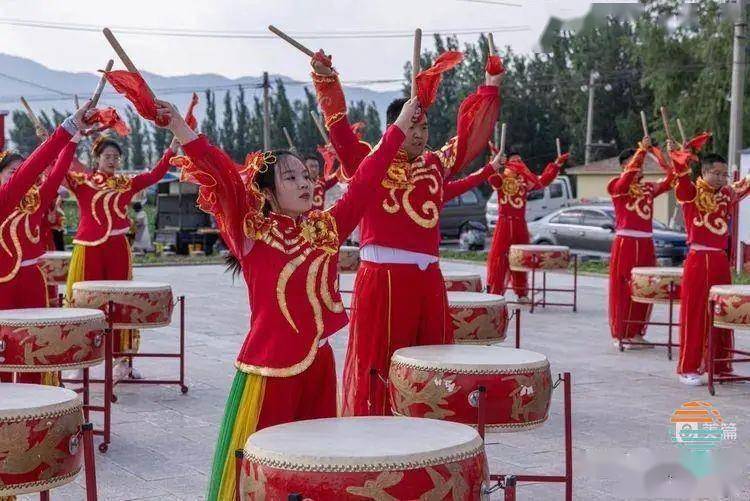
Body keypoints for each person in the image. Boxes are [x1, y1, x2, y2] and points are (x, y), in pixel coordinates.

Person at [152, 94, 419, 500]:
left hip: (319, 363)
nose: (305, 183)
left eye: (306, 176)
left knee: (316, 463)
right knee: (266, 473)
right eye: (291, 178)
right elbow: (221, 173)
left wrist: (398, 127)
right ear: (269, 192)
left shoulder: (327, 227)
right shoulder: (251, 233)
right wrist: (180, 128)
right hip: (269, 372)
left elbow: (367, 178)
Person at [311, 49, 503, 416]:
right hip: (382, 280)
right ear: (394, 126)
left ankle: (427, 439)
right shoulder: (369, 162)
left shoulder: (434, 163)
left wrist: (490, 87)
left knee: (431, 362)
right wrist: (326, 79)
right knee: (381, 364)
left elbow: (469, 140)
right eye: (412, 125)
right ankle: (378, 436)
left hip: (429, 279)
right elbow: (338, 129)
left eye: (425, 126)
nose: (421, 133)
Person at [65, 134, 178, 378]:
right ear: (96, 158)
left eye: (116, 157)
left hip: (118, 248)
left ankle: (124, 360)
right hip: (88, 247)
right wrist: (64, 142)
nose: (112, 160)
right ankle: (79, 360)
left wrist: (171, 150)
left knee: (121, 303)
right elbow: (58, 170)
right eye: (107, 156)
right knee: (83, 303)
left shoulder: (126, 183)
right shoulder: (82, 182)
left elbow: (154, 175)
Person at [0, 103, 93, 383]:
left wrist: (72, 138)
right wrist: (67, 128)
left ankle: (37, 409)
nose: (17, 176)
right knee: (3, 348)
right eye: (10, 172)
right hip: (2, 283)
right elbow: (34, 168)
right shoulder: (3, 200)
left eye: (20, 171)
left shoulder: (37, 200)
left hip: (32, 281)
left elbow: (53, 170)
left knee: (34, 346)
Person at [671, 146, 750, 385]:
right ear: (704, 172)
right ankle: (689, 367)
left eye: (724, 174)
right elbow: (682, 181)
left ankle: (721, 364)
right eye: (715, 173)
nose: (720, 178)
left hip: (719, 260)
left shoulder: (727, 193)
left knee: (721, 313)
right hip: (697, 259)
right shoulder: (691, 193)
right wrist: (679, 161)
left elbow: (744, 186)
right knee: (695, 313)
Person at [606, 136, 674, 347]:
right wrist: (641, 152)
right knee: (624, 287)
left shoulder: (648, 189)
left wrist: (670, 156)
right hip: (626, 242)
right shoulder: (617, 186)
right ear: (624, 167)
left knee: (644, 286)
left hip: (646, 243)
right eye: (634, 164)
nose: (638, 168)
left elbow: (672, 179)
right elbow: (626, 180)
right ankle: (621, 332)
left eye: (640, 165)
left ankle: (636, 332)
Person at [486, 146, 568, 299]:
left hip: (520, 223)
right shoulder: (502, 177)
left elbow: (542, 181)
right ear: (508, 161)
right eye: (514, 160)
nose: (518, 162)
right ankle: (494, 293)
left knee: (520, 258)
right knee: (499, 259)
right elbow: (492, 179)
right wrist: (494, 163)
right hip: (504, 223)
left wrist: (556, 165)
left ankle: (522, 293)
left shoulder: (525, 180)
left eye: (520, 160)